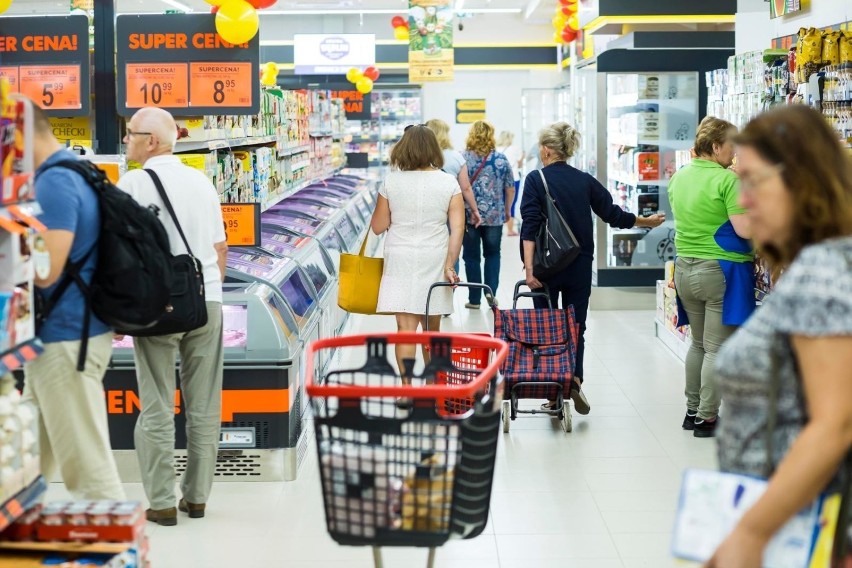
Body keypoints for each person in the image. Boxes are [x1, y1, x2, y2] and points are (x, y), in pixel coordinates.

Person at [707, 106, 852, 567]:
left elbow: (836, 424)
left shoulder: (823, 270)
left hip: (802, 529)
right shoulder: (822, 262)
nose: (742, 199)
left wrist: (751, 532)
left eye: (753, 180)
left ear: (799, 180)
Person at [117, 107, 228, 526]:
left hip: (155, 305)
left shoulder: (132, 183)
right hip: (206, 302)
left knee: (157, 405)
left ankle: (162, 502)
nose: (126, 140)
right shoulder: (201, 181)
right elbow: (220, 248)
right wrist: (210, 289)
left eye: (130, 134)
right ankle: (197, 498)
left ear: (151, 141)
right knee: (203, 405)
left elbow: (121, 254)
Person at [520, 122, 664, 415]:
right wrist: (645, 221)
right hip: (580, 264)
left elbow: (530, 225)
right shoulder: (584, 180)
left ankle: (552, 390)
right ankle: (573, 378)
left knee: (549, 327)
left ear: (546, 150)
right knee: (576, 326)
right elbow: (613, 215)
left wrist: (528, 270)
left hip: (545, 268)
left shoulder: (536, 180)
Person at [24, 103, 125, 501]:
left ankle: (118, 555)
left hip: (67, 339)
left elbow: (47, 269)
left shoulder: (54, 182)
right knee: (25, 460)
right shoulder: (74, 170)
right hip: (64, 335)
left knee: (88, 470)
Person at [668, 116, 754, 439]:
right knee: (718, 348)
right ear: (716, 146)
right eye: (731, 147)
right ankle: (707, 418)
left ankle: (691, 411)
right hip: (720, 270)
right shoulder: (726, 181)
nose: (733, 155)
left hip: (685, 268)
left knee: (698, 344)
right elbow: (744, 229)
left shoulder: (679, 177)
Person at [371, 125, 464, 380]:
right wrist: (450, 264)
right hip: (434, 256)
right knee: (432, 329)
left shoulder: (391, 181)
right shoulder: (448, 182)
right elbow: (457, 228)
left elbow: (378, 227)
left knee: (405, 328)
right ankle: (436, 385)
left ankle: (406, 389)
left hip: (400, 258)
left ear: (404, 148)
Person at [462, 120, 515, 309]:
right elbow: (510, 188)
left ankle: (474, 299)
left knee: (471, 257)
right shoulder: (501, 159)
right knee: (493, 254)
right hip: (494, 215)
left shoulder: (463, 159)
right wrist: (508, 210)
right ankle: (491, 293)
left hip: (469, 216)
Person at [425, 119, 482, 228]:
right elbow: (465, 188)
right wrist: (475, 210)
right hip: (449, 208)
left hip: (425, 208)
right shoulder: (456, 157)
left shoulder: (419, 156)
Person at [496, 131, 524, 236]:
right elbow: (520, 164)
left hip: (499, 180)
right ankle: (510, 230)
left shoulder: (495, 149)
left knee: (500, 203)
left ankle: (498, 228)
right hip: (514, 178)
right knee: (511, 203)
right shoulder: (514, 148)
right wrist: (522, 157)